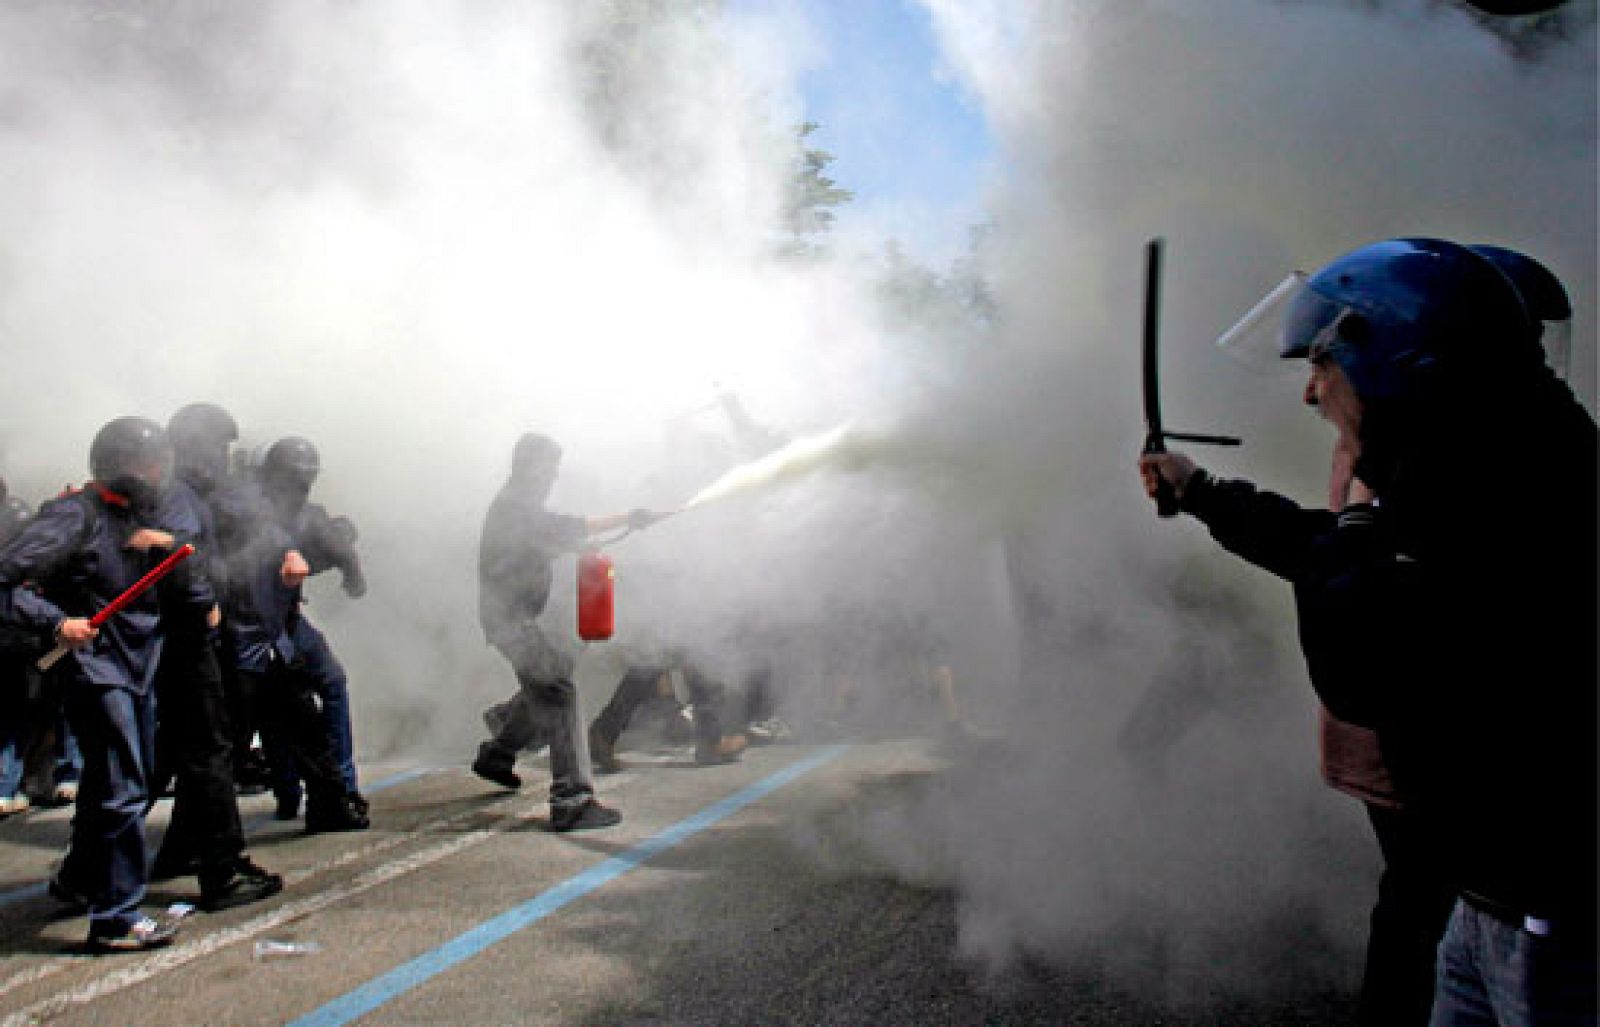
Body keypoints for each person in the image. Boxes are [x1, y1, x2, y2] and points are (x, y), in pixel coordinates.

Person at [1139, 238, 1596, 1025]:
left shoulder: (1501, 493)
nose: (1312, 395)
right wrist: (1205, 489)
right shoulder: (1475, 464)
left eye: (1322, 366)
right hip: (1491, 894)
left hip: (1542, 913)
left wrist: (1353, 501)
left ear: (1389, 360)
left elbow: (1358, 656)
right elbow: (1328, 550)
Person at [0, 418, 197, 952]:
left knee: (109, 787)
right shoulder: (74, 515)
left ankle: (80, 880)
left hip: (136, 666)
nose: (160, 474)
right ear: (124, 466)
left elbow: (191, 548)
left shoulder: (135, 517)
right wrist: (55, 622)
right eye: (151, 464)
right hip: (96, 668)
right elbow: (6, 579)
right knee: (122, 791)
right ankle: (115, 918)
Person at [470, 432, 666, 831]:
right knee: (557, 691)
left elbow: (554, 538)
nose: (552, 478)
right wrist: (629, 517)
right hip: (511, 622)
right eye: (548, 469)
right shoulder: (516, 507)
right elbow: (562, 527)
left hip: (514, 619)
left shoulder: (519, 507)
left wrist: (584, 545)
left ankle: (499, 753)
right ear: (529, 467)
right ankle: (572, 800)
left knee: (546, 682)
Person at [147, 402, 283, 911]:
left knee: (178, 751)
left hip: (182, 639)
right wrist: (209, 603)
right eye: (216, 447)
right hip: (184, 638)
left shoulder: (196, 493)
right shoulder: (177, 496)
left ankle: (161, 854)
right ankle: (221, 870)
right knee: (207, 751)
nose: (222, 457)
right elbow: (184, 561)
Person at [216, 438, 368, 835]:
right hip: (247, 629)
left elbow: (337, 548)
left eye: (306, 480)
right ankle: (302, 789)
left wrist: (350, 570)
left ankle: (332, 787)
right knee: (270, 709)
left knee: (325, 685)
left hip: (282, 624)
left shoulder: (300, 514)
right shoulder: (244, 508)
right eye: (294, 479)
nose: (301, 488)